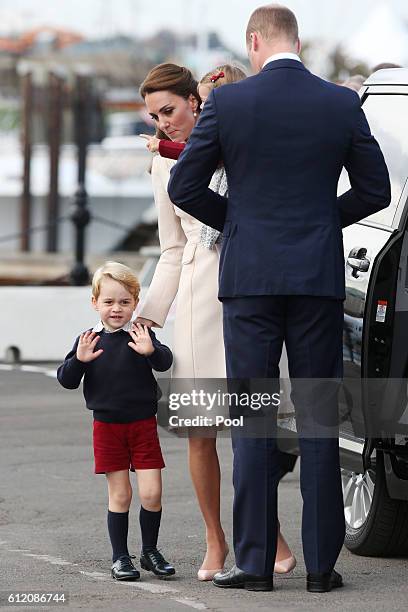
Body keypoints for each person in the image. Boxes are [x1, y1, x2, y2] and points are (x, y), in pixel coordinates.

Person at [167, 3, 391, 594]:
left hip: (250, 280)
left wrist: (238, 225)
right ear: (298, 40)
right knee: (318, 415)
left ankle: (257, 566)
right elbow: (375, 189)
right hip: (315, 277)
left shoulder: (230, 104)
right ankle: (321, 567)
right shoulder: (340, 103)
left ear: (255, 41)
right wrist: (322, 222)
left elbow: (184, 185)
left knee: (253, 420)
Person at [137, 62, 296, 580]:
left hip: (249, 299)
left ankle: (267, 535)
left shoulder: (237, 142)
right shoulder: (162, 166)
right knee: (200, 434)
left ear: (196, 103)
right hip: (194, 307)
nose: (163, 123)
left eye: (170, 110)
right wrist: (145, 318)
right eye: (156, 116)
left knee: (253, 428)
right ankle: (215, 541)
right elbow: (171, 248)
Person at [57, 261, 175, 581]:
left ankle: (149, 551)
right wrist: (78, 361)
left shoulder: (141, 333)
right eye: (108, 302)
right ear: (95, 302)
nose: (116, 309)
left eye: (124, 302)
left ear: (136, 303)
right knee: (120, 495)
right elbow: (66, 379)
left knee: (151, 493)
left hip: (143, 425)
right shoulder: (89, 339)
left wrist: (151, 351)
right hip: (107, 428)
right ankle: (120, 557)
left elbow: (164, 362)